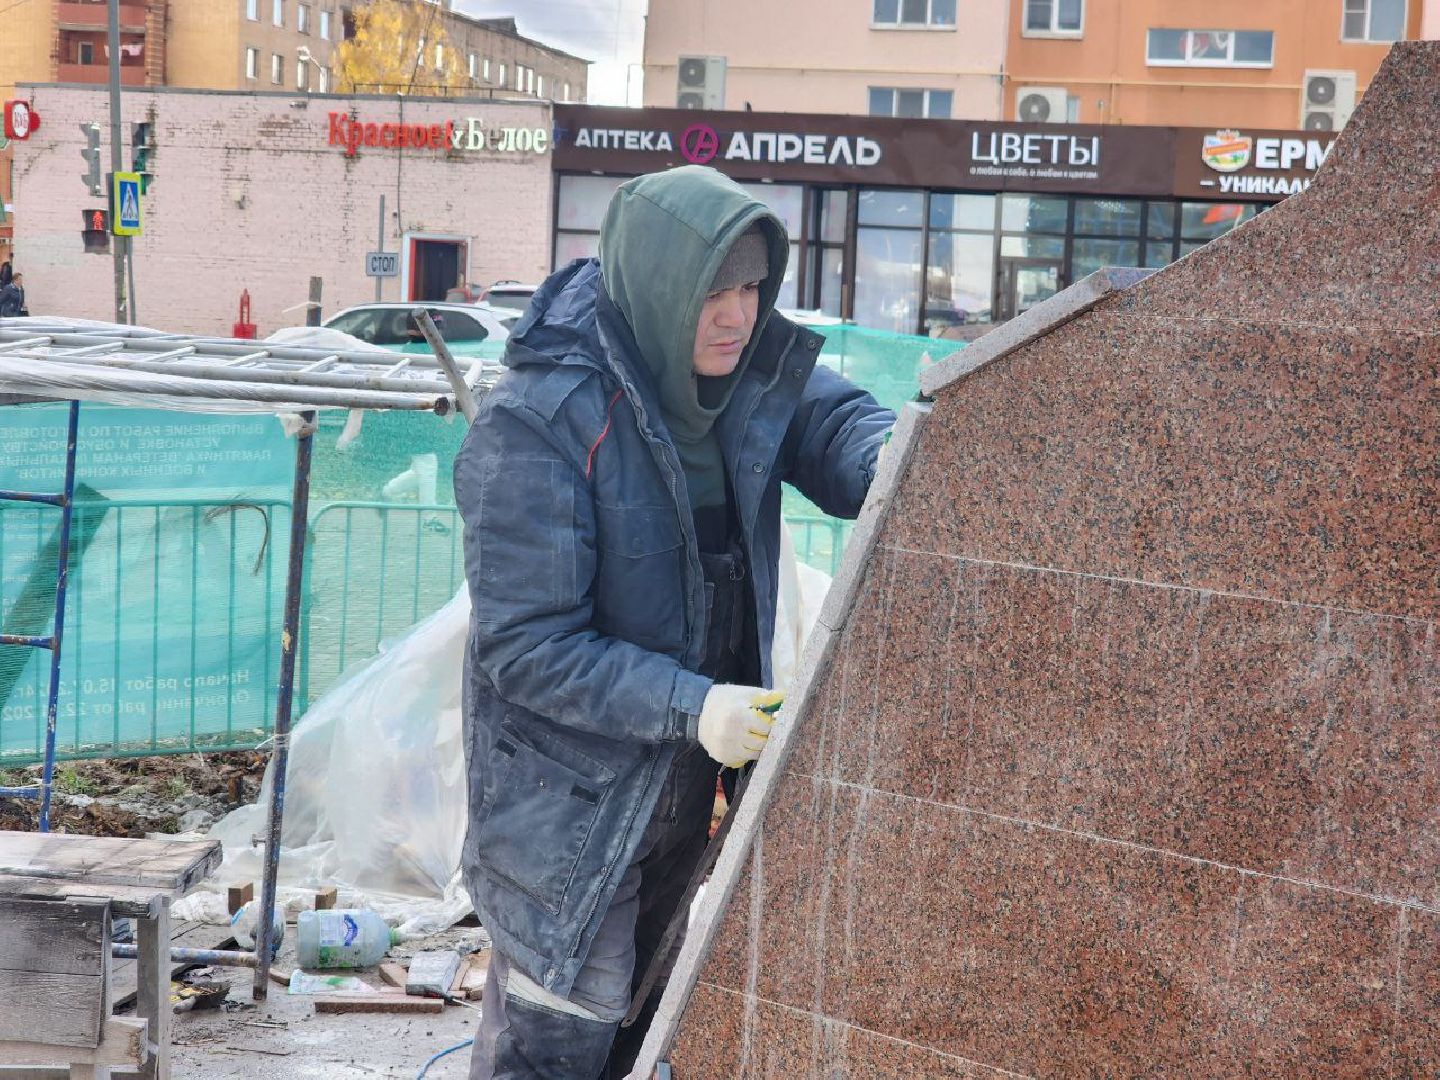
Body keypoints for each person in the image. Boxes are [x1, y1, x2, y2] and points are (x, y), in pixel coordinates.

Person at [454, 165, 894, 1080]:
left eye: (750, 287)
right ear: (660, 286)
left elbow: (837, 426)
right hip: (564, 812)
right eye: (712, 291)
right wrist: (695, 705)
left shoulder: (741, 374)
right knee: (557, 1045)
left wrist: (895, 454)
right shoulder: (539, 422)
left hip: (676, 795)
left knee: (636, 1032)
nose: (736, 314)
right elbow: (526, 648)